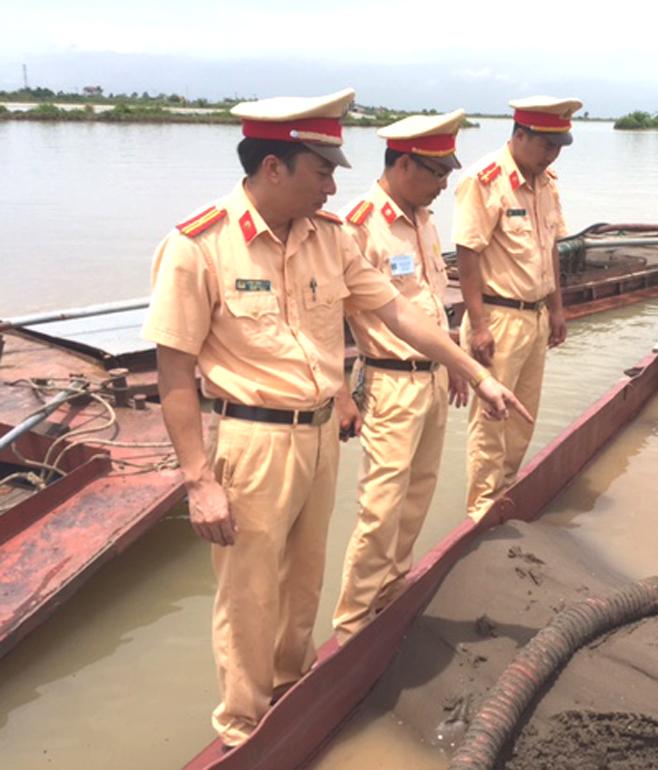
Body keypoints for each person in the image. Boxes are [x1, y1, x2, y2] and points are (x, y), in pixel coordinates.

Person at [142, 90, 528, 748]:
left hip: (320, 433)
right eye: (322, 171)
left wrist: (475, 371)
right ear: (274, 168)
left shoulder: (330, 238)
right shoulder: (198, 246)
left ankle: (292, 695)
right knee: (249, 596)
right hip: (253, 440)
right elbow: (174, 373)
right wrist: (199, 480)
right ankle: (242, 732)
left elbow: (398, 313)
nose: (332, 186)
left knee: (303, 584)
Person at [332, 109, 467, 642]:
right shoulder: (359, 225)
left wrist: (453, 359)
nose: (444, 184)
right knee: (381, 506)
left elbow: (431, 299)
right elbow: (328, 318)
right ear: (405, 164)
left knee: (418, 494)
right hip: (389, 382)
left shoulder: (424, 220)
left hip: (432, 378)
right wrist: (341, 394)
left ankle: (391, 594)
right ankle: (351, 624)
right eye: (437, 172)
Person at [453, 95, 582, 520]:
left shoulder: (547, 182)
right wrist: (478, 325)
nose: (552, 154)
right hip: (498, 317)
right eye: (546, 145)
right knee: (491, 421)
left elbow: (551, 250)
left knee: (523, 416)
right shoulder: (485, 180)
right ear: (520, 135)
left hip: (536, 316)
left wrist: (557, 309)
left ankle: (504, 495)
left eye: (559, 146)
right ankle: (480, 511)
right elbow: (467, 256)